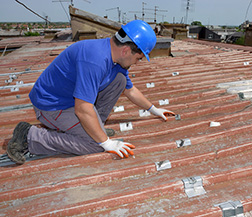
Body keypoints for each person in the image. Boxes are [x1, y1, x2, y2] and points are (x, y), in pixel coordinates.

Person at [7, 20, 175, 165]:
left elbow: (130, 90)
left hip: (71, 101)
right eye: (138, 58)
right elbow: (82, 109)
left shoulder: (115, 59)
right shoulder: (95, 59)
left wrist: (154, 109)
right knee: (95, 146)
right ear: (126, 50)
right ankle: (30, 136)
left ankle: (94, 128)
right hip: (52, 105)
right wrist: (105, 142)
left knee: (120, 81)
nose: (137, 63)